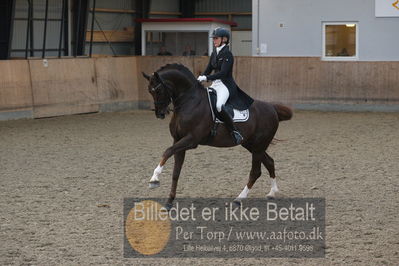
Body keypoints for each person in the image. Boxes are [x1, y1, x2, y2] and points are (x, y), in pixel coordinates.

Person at [197, 27, 254, 145]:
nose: (214, 40)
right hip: (215, 84)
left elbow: (223, 73)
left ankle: (234, 131)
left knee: (218, 105)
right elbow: (208, 69)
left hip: (225, 85)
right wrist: (199, 79)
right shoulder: (214, 53)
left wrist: (206, 78)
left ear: (224, 39)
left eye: (216, 38)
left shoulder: (228, 54)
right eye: (213, 38)